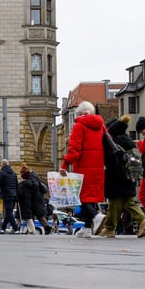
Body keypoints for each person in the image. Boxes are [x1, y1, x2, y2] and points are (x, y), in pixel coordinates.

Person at [59, 101, 107, 238]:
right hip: (98, 166)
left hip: (83, 167)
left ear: (80, 113)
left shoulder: (79, 126)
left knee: (81, 196)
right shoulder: (101, 126)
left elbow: (74, 150)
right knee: (90, 197)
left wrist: (64, 164)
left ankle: (96, 216)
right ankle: (86, 228)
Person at [101, 115, 145, 238]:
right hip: (129, 177)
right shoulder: (127, 141)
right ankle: (140, 221)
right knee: (126, 202)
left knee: (115, 202)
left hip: (116, 177)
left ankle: (111, 228)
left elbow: (111, 161)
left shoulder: (113, 143)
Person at [17, 164, 47, 234]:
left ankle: (46, 229)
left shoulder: (31, 178)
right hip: (35, 200)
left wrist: (23, 182)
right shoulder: (33, 177)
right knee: (34, 216)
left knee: (39, 216)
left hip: (36, 200)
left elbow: (34, 185)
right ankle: (31, 230)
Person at [0, 159, 20, 233]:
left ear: (2, 164)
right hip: (14, 195)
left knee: (9, 212)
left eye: (0, 164)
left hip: (7, 195)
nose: (0, 165)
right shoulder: (13, 173)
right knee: (8, 212)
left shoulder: (2, 173)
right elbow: (17, 185)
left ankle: (15, 228)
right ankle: (2, 228)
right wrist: (17, 195)